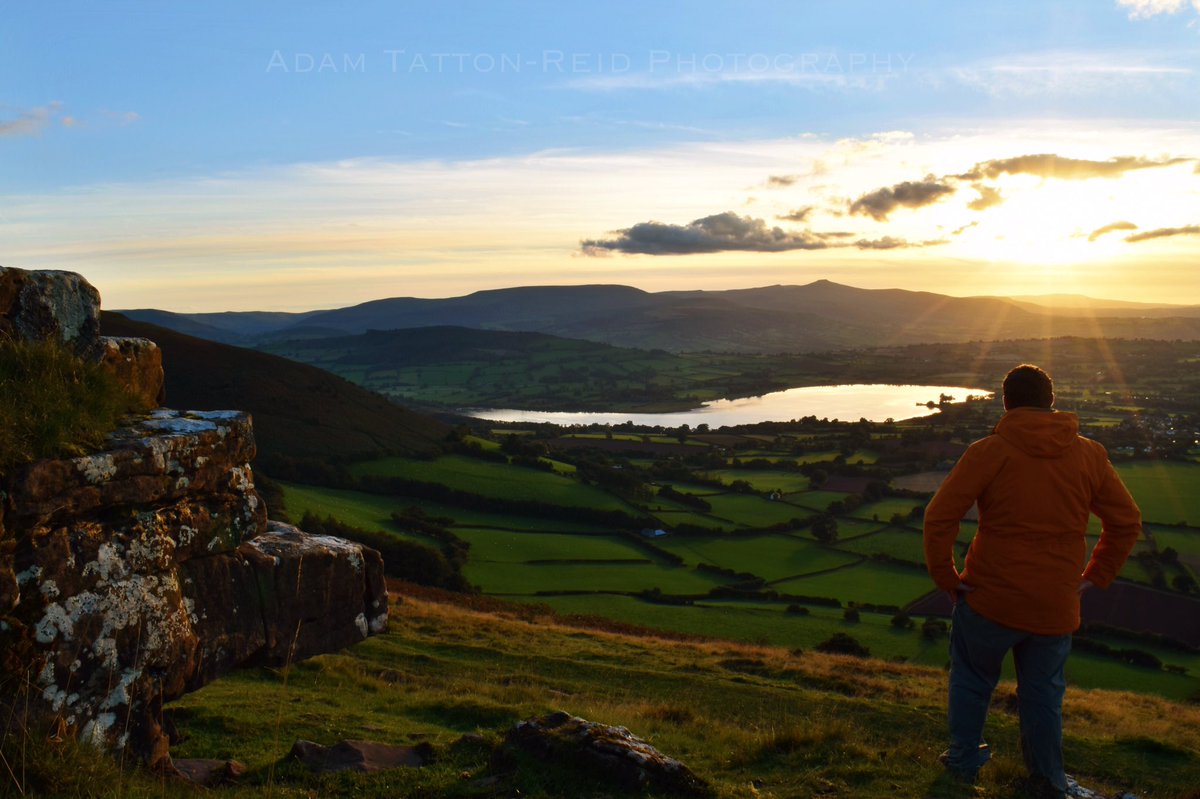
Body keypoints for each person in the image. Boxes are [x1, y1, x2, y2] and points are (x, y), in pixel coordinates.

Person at [923, 364, 1141, 798]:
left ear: (1006, 403)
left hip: (988, 598)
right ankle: (1047, 780)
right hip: (1055, 605)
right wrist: (1095, 575)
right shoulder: (1089, 454)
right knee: (1043, 696)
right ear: (1051, 401)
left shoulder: (989, 451)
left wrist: (948, 577)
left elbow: (939, 517)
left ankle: (964, 761)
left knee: (971, 680)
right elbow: (1127, 521)